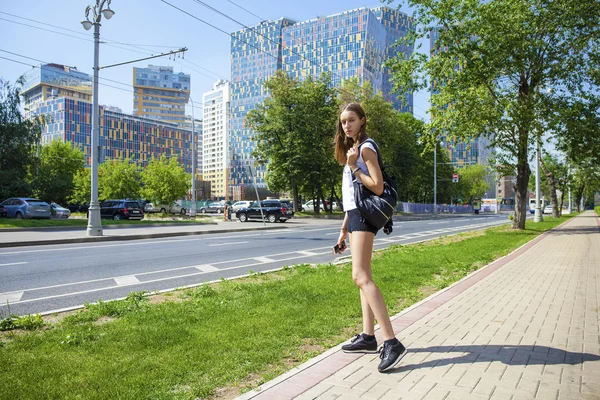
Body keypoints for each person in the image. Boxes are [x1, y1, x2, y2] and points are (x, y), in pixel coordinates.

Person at [334, 102, 407, 373]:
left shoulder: (365, 148)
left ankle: (391, 342)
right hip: (355, 215)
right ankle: (368, 337)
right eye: (343, 122)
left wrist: (354, 167)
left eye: (352, 120)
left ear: (363, 120)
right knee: (363, 277)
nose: (347, 125)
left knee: (360, 276)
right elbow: (353, 195)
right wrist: (344, 228)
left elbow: (375, 186)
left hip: (364, 216)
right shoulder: (354, 150)